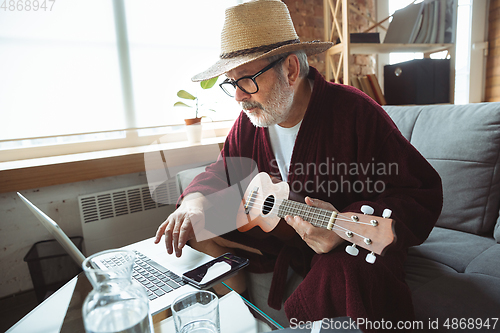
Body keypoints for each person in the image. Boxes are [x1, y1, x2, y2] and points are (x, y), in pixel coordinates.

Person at [155, 0, 443, 331]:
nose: (237, 96)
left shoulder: (355, 113)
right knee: (194, 223)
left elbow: (418, 192)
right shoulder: (251, 119)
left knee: (355, 270)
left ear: (291, 70)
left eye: (247, 79)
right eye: (231, 82)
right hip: (276, 240)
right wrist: (192, 203)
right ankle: (242, 314)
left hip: (336, 248)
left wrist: (341, 228)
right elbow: (222, 170)